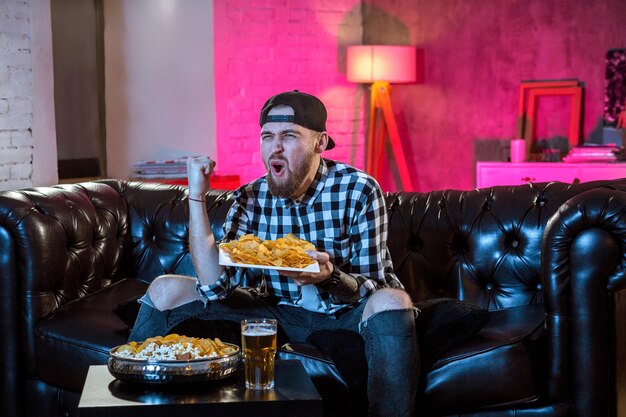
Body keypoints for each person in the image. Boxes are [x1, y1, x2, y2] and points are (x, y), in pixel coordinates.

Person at [129, 90, 419, 417]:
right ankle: (125, 399)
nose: (275, 147)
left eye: (289, 136)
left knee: (394, 300)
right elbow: (214, 285)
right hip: (275, 312)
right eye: (267, 137)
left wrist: (330, 277)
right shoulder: (250, 197)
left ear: (320, 142)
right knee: (165, 287)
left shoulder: (358, 190)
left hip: (343, 315)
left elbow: (376, 287)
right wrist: (196, 197)